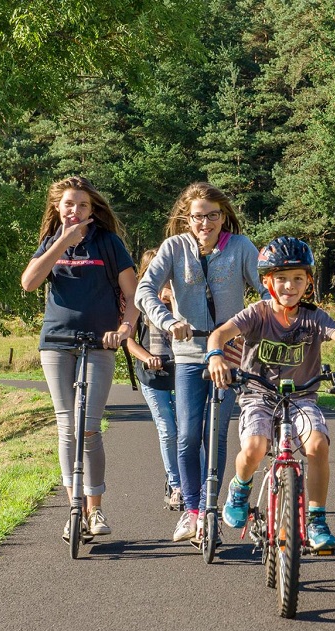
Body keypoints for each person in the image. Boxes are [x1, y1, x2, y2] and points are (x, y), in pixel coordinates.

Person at [207, 236, 335, 555]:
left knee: (318, 445)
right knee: (254, 448)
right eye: (281, 278)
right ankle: (239, 488)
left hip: (302, 398)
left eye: (298, 279)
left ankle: (317, 520)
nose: (289, 286)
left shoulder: (313, 316)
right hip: (258, 395)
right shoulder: (258, 313)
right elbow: (221, 333)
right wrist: (215, 356)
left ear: (308, 282)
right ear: (267, 282)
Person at [135, 182, 265, 542]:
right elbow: (144, 290)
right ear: (185, 218)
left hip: (229, 354)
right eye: (197, 216)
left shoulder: (240, 248)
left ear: (223, 216)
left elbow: (267, 293)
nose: (205, 222)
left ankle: (210, 509)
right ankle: (191, 511)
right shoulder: (174, 248)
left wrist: (249, 332)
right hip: (189, 354)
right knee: (188, 433)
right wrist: (168, 320)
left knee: (215, 434)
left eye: (212, 215)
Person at [20, 175, 138, 541]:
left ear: (92, 209)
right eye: (69, 204)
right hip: (56, 342)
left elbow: (133, 294)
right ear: (58, 207)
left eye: (83, 205)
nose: (76, 210)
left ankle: (95, 507)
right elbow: (29, 283)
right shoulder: (49, 243)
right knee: (66, 426)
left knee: (88, 426)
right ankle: (74, 509)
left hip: (99, 343)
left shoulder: (108, 243)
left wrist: (125, 329)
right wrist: (62, 243)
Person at [131, 248, 183, 511]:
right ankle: (175, 484)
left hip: (183, 372)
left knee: (187, 431)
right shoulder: (139, 302)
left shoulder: (181, 299)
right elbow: (128, 341)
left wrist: (173, 301)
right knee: (168, 430)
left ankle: (189, 484)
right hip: (153, 375)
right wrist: (147, 357)